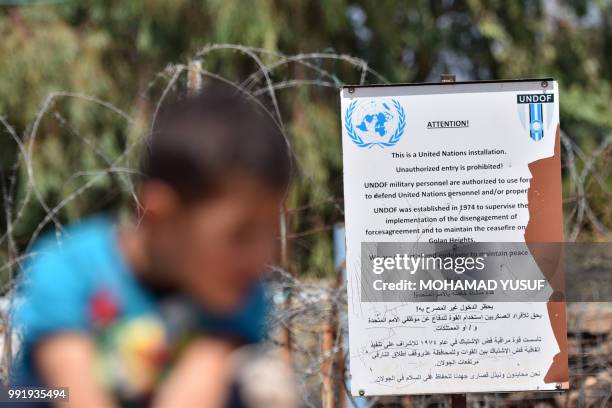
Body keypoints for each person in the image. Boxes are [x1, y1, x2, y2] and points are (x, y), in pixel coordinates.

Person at [11, 84, 293, 407]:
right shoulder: (69, 271)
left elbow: (192, 395)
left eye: (269, 232)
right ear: (161, 216)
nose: (262, 257)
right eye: (240, 234)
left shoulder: (235, 296)